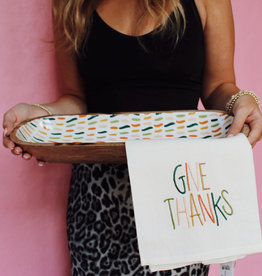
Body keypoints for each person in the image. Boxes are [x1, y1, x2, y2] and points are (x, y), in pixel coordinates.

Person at [2, 0, 262, 275]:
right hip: (97, 200)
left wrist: (241, 100)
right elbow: (76, 100)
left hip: (178, 197)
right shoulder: (70, 3)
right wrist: (39, 114)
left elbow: (219, 87)